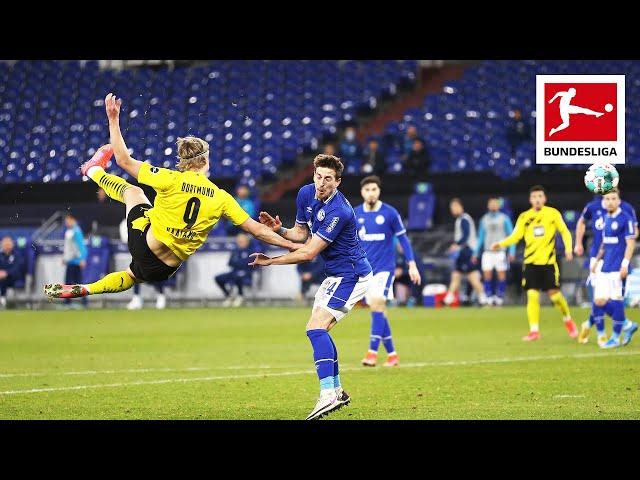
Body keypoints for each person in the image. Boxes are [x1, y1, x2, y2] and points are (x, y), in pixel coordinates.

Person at [44, 93, 300, 301]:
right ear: (206, 160)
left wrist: (113, 120)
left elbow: (122, 160)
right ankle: (88, 289)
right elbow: (257, 230)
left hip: (146, 246)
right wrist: (292, 246)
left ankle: (92, 170)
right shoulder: (222, 198)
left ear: (183, 162)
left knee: (134, 192)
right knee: (132, 276)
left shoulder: (170, 178)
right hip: (165, 269)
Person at [251, 154, 373, 420]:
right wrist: (280, 230)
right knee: (319, 330)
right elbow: (300, 235)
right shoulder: (306, 193)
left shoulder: (339, 210)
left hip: (352, 275)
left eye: (328, 179)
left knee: (315, 328)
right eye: (318, 176)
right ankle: (336, 392)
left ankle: (328, 394)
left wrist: (272, 261)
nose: (321, 183)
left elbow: (308, 253)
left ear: (338, 182)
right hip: (335, 275)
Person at [490, 185, 577, 341]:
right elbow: (515, 236)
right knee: (532, 295)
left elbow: (564, 231)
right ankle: (534, 331)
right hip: (530, 263)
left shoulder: (552, 214)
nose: (537, 199)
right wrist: (501, 244)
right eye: (534, 197)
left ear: (544, 198)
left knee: (555, 297)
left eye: (540, 196)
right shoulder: (524, 217)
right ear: (530, 200)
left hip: (549, 263)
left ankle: (568, 320)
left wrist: (569, 249)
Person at [355, 176, 421, 368]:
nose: (371, 193)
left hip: (384, 270)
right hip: (365, 271)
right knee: (378, 310)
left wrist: (412, 264)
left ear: (379, 191)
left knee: (376, 304)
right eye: (367, 190)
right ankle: (392, 355)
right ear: (362, 192)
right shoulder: (356, 214)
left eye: (374, 189)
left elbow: (404, 240)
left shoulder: (390, 213)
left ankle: (372, 353)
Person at [575, 191, 638, 345]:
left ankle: (615, 338)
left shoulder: (626, 218)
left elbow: (630, 243)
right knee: (599, 300)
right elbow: (604, 243)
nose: (610, 202)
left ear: (619, 200)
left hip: (617, 266)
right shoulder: (607, 218)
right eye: (607, 199)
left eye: (613, 199)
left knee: (616, 300)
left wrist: (624, 264)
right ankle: (627, 325)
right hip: (605, 265)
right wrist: (596, 260)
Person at [472, 197, 516, 306]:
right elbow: (481, 238)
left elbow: (512, 236)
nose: (493, 206)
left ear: (498, 206)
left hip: (500, 252)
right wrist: (475, 253)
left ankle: (499, 297)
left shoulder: (504, 218)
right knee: (487, 275)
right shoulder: (484, 219)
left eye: (495, 204)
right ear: (488, 206)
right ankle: (489, 297)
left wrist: (512, 251)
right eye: (491, 204)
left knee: (501, 275)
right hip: (488, 251)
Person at [444, 198, 487, 306]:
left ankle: (484, 299)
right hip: (463, 252)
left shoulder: (464, 219)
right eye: (451, 208)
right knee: (456, 275)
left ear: (460, 207)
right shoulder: (460, 219)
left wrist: (456, 244)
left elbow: (466, 236)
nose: (453, 210)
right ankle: (448, 299)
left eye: (454, 207)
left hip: (468, 252)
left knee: (473, 277)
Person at [118, 218, 168, 310]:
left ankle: (161, 295)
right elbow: (126, 239)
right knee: (135, 274)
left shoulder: (149, 218)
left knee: (153, 275)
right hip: (137, 252)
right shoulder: (124, 223)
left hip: (150, 252)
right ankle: (137, 298)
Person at [214, 233, 254, 307]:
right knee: (218, 278)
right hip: (234, 272)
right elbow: (230, 263)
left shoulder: (251, 251)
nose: (240, 243)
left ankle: (240, 296)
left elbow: (249, 264)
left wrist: (238, 263)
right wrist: (240, 263)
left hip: (246, 273)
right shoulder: (235, 251)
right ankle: (229, 296)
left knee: (238, 276)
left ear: (246, 242)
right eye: (238, 241)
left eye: (241, 241)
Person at [62, 214, 88, 308]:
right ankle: (81, 302)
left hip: (75, 261)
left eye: (67, 220)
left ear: (72, 219)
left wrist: (82, 259)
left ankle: (71, 303)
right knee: (75, 283)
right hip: (71, 261)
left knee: (72, 283)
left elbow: (81, 246)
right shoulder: (71, 231)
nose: (66, 223)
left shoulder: (76, 231)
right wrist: (65, 258)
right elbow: (69, 248)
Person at [0, 236, 24, 309]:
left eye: (8, 244)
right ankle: (3, 300)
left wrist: (7, 273)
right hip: (1, 277)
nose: (7, 246)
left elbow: (17, 268)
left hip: (14, 278)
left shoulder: (17, 255)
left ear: (12, 245)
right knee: (2, 280)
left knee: (4, 279)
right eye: (5, 244)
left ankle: (5, 300)